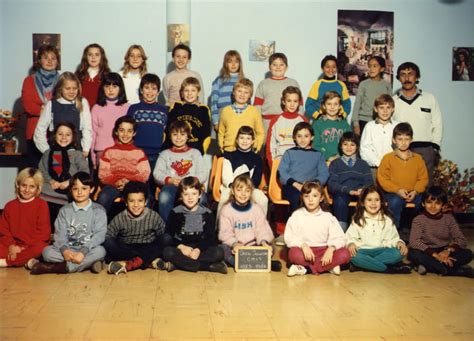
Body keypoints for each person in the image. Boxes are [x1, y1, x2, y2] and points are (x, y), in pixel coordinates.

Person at [30, 172, 106, 275]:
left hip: (88, 250)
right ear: (70, 190)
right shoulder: (65, 210)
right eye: (75, 189)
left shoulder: (98, 210)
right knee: (47, 252)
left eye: (84, 188)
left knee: (101, 251)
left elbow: (99, 235)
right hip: (68, 250)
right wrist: (65, 251)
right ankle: (87, 264)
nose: (79, 192)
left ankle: (63, 267)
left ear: (91, 189)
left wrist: (83, 252)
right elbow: (59, 235)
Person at [158, 177, 227, 274]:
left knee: (219, 252)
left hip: (200, 249)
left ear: (199, 195)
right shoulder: (175, 212)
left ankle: (178, 265)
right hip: (182, 248)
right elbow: (169, 234)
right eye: (186, 194)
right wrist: (181, 247)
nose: (190, 198)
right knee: (167, 252)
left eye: (194, 194)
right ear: (181, 196)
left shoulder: (207, 213)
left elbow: (210, 237)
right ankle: (207, 267)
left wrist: (198, 250)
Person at [284, 181, 350, 277]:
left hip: (324, 251)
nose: (310, 200)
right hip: (305, 252)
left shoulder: (328, 217)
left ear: (321, 198)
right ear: (302, 197)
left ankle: (305, 269)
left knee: (345, 254)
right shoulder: (296, 215)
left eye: (315, 196)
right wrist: (303, 245)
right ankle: (328, 267)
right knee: (293, 254)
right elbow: (289, 237)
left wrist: (331, 249)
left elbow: (340, 237)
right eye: (307, 196)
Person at [392, 62, 443, 185]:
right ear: (399, 78)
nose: (407, 78)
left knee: (425, 186)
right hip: (402, 149)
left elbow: (438, 123)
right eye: (403, 75)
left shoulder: (429, 98)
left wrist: (434, 147)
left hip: (425, 149)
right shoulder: (394, 101)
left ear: (417, 77)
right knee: (402, 184)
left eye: (410, 74)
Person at [104, 181, 170, 275]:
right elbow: (108, 236)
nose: (136, 205)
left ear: (146, 202)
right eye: (131, 201)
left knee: (166, 238)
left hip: (147, 246)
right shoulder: (120, 217)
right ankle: (146, 261)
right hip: (127, 249)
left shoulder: (153, 216)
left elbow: (162, 235)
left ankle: (131, 263)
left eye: (140, 201)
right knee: (108, 242)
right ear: (126, 202)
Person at [218, 174, 281, 272]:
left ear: (251, 192)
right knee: (222, 249)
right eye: (239, 190)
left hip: (253, 247)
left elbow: (262, 229)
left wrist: (263, 242)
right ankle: (260, 264)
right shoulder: (226, 210)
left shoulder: (256, 209)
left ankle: (245, 263)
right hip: (236, 248)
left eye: (247, 191)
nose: (243, 194)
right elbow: (225, 234)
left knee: (271, 248)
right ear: (233, 191)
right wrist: (234, 244)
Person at [408, 186, 474, 277]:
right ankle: (453, 270)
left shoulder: (449, 219)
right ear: (423, 203)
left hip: (444, 250)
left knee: (468, 254)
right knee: (412, 254)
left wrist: (448, 251)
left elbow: (461, 239)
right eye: (429, 202)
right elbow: (414, 242)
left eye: (438, 203)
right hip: (427, 251)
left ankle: (432, 267)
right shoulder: (418, 220)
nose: (433, 206)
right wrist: (435, 255)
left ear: (443, 205)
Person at [345, 185, 411, 274]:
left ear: (381, 202)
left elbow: (393, 238)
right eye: (369, 200)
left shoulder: (386, 220)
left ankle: (365, 266)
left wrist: (399, 243)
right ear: (363, 203)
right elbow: (349, 237)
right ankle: (388, 269)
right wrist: (351, 244)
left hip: (382, 251)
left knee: (400, 253)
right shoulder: (358, 219)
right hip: (364, 251)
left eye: (377, 200)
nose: (373, 203)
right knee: (352, 255)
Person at [377, 122, 428, 229]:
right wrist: (397, 190)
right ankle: (395, 233)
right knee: (395, 202)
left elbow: (423, 178)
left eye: (406, 139)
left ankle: (416, 232)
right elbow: (382, 178)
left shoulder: (418, 158)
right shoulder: (388, 158)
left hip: (414, 192)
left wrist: (415, 191)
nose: (403, 142)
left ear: (411, 140)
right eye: (400, 139)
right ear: (394, 140)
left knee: (422, 202)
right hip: (393, 193)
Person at [153, 120, 208, 222]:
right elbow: (157, 174)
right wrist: (170, 180)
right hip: (172, 187)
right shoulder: (164, 154)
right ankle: (168, 228)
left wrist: (193, 181)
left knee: (203, 198)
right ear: (170, 136)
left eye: (182, 134)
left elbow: (203, 173)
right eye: (175, 134)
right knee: (164, 196)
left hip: (192, 187)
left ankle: (196, 227)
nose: (178, 138)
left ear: (188, 136)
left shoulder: (195, 153)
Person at [126, 73, 168, 206]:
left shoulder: (164, 110)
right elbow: (129, 130)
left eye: (154, 88)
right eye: (147, 88)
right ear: (141, 90)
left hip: (156, 155)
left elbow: (166, 132)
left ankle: (150, 217)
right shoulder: (134, 109)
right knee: (139, 187)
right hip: (138, 154)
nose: (150, 92)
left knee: (152, 188)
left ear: (158, 91)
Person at [38, 122, 89, 225]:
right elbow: (42, 170)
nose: (64, 137)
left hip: (70, 188)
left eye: (68, 134)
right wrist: (51, 181)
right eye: (60, 134)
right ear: (54, 135)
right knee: (41, 195)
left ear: (73, 137)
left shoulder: (77, 154)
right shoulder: (48, 153)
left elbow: (84, 171)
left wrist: (69, 182)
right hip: (50, 187)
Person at [97, 116, 150, 214]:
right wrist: (116, 181)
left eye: (129, 131)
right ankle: (101, 226)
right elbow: (103, 174)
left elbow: (144, 174)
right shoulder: (108, 152)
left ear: (134, 133)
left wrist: (129, 182)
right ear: (116, 132)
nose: (125, 134)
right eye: (122, 130)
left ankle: (143, 225)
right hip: (114, 185)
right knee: (103, 196)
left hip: (134, 185)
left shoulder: (139, 152)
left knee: (146, 196)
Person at [33, 72, 92, 159]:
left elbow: (87, 128)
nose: (71, 91)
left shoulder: (82, 102)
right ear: (60, 89)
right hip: (56, 152)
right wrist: (46, 150)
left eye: (74, 88)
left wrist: (86, 149)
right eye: (67, 88)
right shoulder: (51, 104)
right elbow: (40, 129)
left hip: (77, 151)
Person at [0, 168, 50, 268]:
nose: (27, 190)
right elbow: (4, 231)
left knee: (42, 248)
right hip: (13, 245)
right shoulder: (10, 206)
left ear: (38, 189)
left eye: (32, 187)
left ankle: (6, 262)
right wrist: (11, 246)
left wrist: (23, 248)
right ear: (18, 185)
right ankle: (27, 261)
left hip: (32, 245)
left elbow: (44, 235)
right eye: (24, 185)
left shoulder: (42, 205)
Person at [21, 45, 60, 167]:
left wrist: (45, 109)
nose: (50, 61)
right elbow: (28, 106)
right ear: (39, 60)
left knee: (56, 169)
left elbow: (63, 105)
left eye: (53, 58)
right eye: (46, 58)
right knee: (35, 170)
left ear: (57, 61)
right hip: (34, 131)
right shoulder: (29, 80)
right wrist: (49, 109)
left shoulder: (62, 81)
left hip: (56, 132)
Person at [279, 122, 329, 214]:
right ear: (294, 137)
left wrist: (312, 184)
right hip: (292, 187)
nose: (302, 140)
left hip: (312, 187)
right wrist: (296, 184)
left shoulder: (318, 155)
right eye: (299, 136)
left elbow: (324, 174)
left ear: (312, 137)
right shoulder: (289, 153)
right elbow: (282, 173)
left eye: (306, 136)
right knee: (298, 197)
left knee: (316, 198)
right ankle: (297, 225)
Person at [218, 126, 268, 216]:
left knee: (263, 199)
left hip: (250, 188)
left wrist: (247, 189)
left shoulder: (257, 158)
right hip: (231, 187)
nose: (245, 141)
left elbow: (256, 179)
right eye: (242, 138)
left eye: (248, 138)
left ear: (253, 141)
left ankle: (260, 226)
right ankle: (220, 227)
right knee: (224, 197)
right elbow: (226, 177)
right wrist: (235, 188)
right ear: (237, 140)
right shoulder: (229, 156)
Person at [328, 132, 372, 231]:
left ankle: (364, 231)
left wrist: (363, 190)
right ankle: (341, 232)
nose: (349, 147)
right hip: (343, 193)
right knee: (339, 201)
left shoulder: (363, 164)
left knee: (370, 199)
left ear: (357, 147)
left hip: (361, 193)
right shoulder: (335, 164)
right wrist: (349, 191)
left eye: (352, 144)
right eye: (345, 144)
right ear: (340, 146)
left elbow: (369, 181)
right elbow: (332, 184)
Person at [254, 52, 302, 132]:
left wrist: (299, 122)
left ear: (286, 67)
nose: (278, 67)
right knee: (268, 143)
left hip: (289, 121)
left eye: (281, 65)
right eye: (274, 64)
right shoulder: (263, 84)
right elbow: (257, 107)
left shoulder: (293, 83)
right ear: (270, 67)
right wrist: (257, 124)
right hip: (267, 123)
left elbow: (300, 105)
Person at [91, 72, 129, 167]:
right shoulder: (96, 108)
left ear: (121, 88)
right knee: (103, 180)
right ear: (102, 88)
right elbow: (93, 133)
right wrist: (92, 156)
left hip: (122, 151)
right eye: (107, 86)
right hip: (102, 151)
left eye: (115, 86)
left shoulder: (127, 107)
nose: (110, 89)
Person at [166, 77, 211, 154]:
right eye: (186, 90)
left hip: (195, 151)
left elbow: (206, 133)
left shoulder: (204, 109)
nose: (189, 93)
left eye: (193, 90)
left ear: (198, 92)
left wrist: (202, 150)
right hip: (176, 150)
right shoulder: (176, 107)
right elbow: (168, 129)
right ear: (182, 93)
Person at [218, 78, 265, 153]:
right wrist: (221, 147)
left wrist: (257, 148)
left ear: (250, 95)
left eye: (246, 92)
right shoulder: (225, 111)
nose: (242, 95)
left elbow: (260, 132)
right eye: (239, 91)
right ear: (234, 92)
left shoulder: (254, 111)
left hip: (248, 151)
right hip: (229, 150)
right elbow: (221, 132)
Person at [265, 86, 306, 167]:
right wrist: (273, 166)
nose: (292, 104)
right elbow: (270, 147)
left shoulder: (303, 120)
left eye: (295, 101)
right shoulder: (275, 120)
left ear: (299, 102)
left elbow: (308, 145)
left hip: (299, 164)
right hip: (279, 164)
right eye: (289, 101)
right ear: (283, 101)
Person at [351, 56, 392, 136]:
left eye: (375, 66)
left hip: (381, 121)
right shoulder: (363, 84)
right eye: (369, 66)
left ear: (382, 69)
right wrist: (356, 123)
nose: (371, 69)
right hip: (363, 121)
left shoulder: (386, 85)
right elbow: (357, 104)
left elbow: (390, 105)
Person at [360, 94, 398, 177]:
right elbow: (365, 149)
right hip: (374, 169)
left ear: (393, 109)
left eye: (388, 107)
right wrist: (379, 163)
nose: (385, 111)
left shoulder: (397, 126)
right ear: (375, 109)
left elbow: (401, 147)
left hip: (393, 168)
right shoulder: (369, 126)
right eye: (381, 108)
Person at [305, 55, 351, 121]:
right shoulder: (317, 85)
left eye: (334, 67)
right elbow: (308, 105)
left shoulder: (341, 85)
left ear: (337, 68)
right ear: (322, 68)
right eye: (327, 67)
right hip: (321, 122)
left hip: (338, 122)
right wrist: (318, 116)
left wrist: (342, 115)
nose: (330, 69)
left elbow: (347, 104)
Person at [311, 91, 351, 161]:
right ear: (324, 106)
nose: (332, 107)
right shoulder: (317, 124)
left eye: (335, 104)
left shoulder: (345, 124)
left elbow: (351, 143)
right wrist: (328, 157)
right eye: (329, 104)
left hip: (343, 160)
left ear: (340, 106)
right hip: (324, 161)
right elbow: (315, 145)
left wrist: (343, 157)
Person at [210, 50, 244, 131]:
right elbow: (214, 102)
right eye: (230, 61)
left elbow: (247, 102)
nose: (233, 64)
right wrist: (215, 121)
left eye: (236, 61)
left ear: (240, 64)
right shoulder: (219, 80)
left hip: (238, 115)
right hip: (222, 114)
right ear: (225, 64)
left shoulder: (242, 81)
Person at [75, 43, 111, 108]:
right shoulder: (79, 75)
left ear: (101, 57)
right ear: (86, 57)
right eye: (90, 54)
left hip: (100, 110)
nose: (93, 57)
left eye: (97, 55)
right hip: (81, 110)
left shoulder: (107, 75)